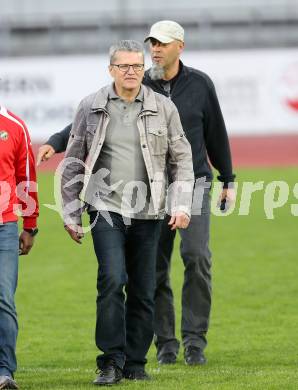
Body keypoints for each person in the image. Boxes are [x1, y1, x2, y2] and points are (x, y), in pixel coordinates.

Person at [38, 20, 235, 366]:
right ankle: (166, 343)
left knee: (197, 258)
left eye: (161, 43)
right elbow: (88, 123)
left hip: (193, 182)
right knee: (153, 272)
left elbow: (216, 132)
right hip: (148, 191)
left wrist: (228, 178)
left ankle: (194, 342)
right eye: (151, 44)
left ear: (179, 47)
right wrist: (57, 142)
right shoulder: (137, 82)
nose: (155, 49)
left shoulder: (200, 85)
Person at [60, 40, 194, 385]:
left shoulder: (163, 107)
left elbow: (182, 159)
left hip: (150, 212)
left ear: (143, 68)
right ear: (111, 70)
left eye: (137, 66)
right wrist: (71, 213)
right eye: (124, 66)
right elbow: (73, 160)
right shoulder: (91, 106)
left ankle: (135, 363)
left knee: (143, 289)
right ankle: (109, 362)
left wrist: (180, 204)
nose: (131, 72)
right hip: (105, 209)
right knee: (112, 280)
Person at [0, 105, 39, 390]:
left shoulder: (14, 125)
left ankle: (4, 372)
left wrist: (30, 224)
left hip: (4, 226)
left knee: (3, 298)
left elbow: (27, 177)